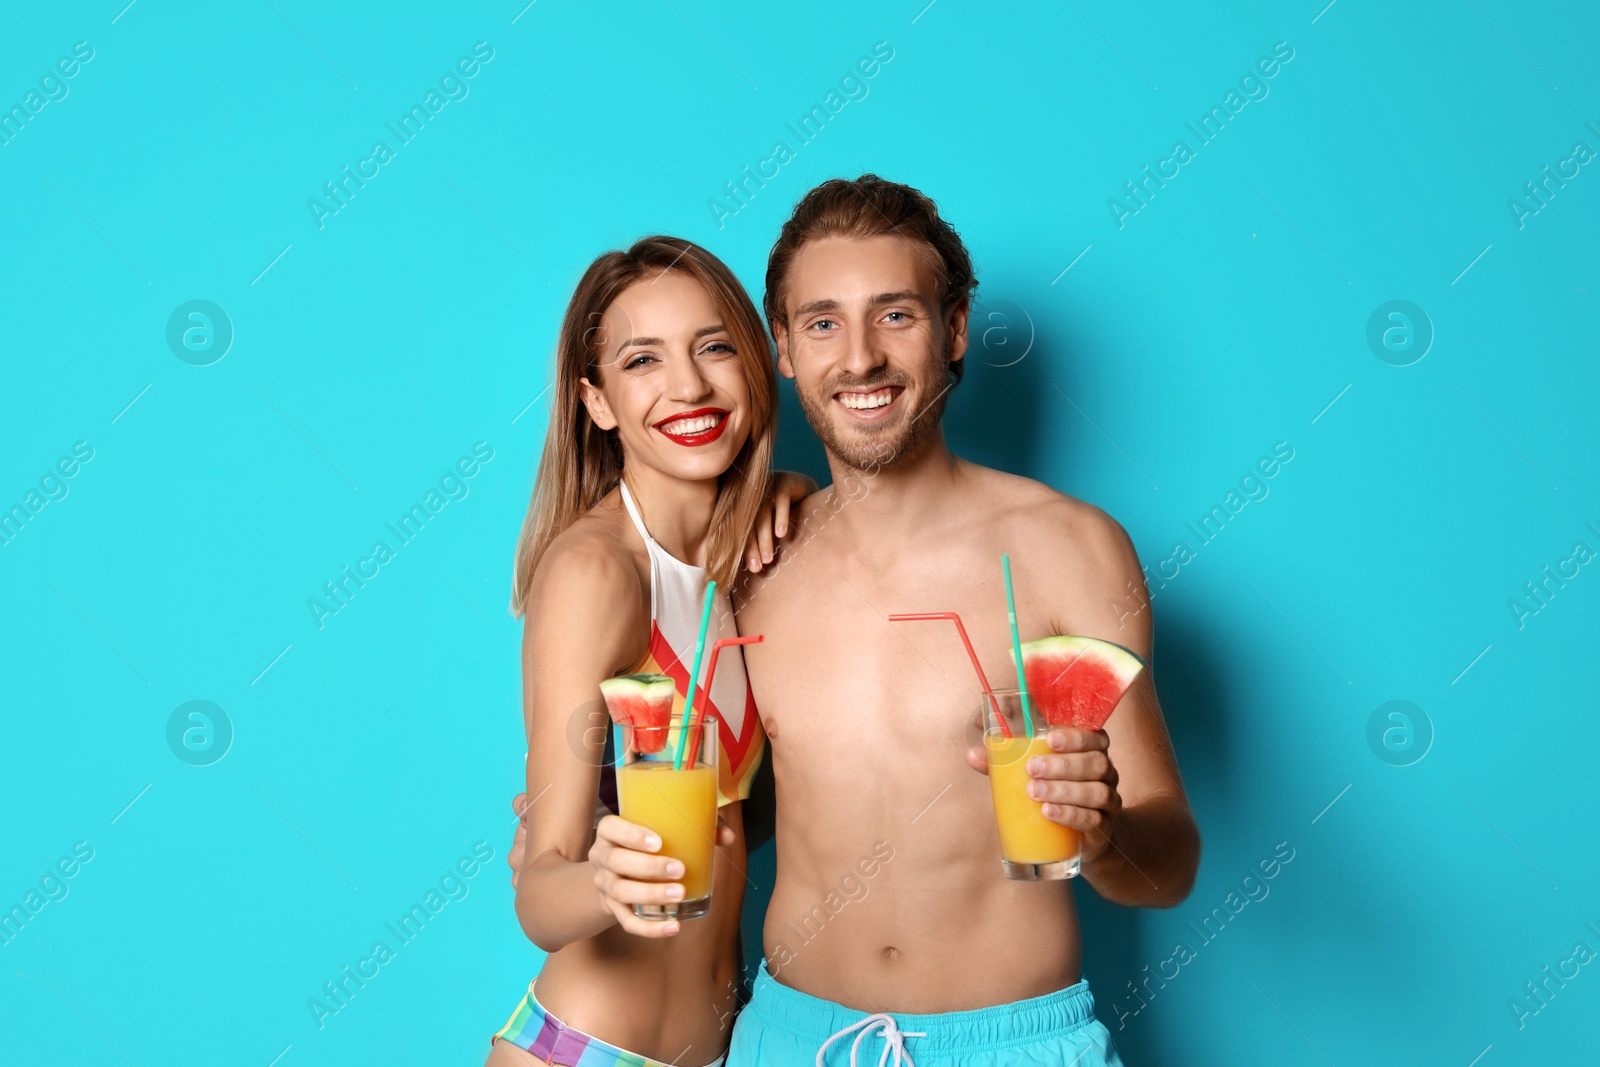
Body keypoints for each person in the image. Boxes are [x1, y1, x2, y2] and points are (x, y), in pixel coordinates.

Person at [722, 176, 1201, 1064]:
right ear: (782, 344)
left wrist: (1102, 833)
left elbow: (1168, 864)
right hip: (792, 1040)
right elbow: (726, 808)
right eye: (823, 322)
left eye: (895, 315)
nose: (859, 357)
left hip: (1010, 1043)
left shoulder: (1068, 547)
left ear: (954, 328)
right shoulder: (751, 563)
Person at [488, 235, 810, 1067]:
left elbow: (745, 827)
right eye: (642, 361)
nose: (690, 385)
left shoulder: (751, 560)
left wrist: (799, 494)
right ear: (595, 401)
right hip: (588, 1046)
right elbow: (539, 893)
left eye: (715, 347)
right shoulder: (595, 572)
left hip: (724, 1044)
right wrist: (601, 878)